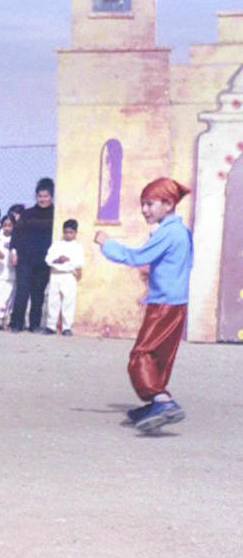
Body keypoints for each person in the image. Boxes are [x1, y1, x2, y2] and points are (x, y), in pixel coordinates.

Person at [94, 178, 193, 434]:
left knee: (140, 356)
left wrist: (108, 244)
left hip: (163, 305)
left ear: (168, 203)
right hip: (176, 303)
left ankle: (162, 401)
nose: (145, 210)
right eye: (143, 204)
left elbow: (137, 257)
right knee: (159, 355)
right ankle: (155, 402)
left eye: (149, 204)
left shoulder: (168, 233)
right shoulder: (180, 231)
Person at [10, 177, 55, 332]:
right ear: (36, 197)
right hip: (24, 259)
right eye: (40, 196)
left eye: (46, 196)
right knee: (22, 292)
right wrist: (13, 252)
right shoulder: (27, 214)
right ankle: (16, 323)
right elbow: (16, 234)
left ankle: (34, 324)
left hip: (44, 261)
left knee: (38, 294)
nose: (43, 199)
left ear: (51, 197)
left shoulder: (56, 215)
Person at [43, 218, 85, 335]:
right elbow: (48, 259)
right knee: (53, 300)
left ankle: (67, 327)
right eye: (66, 232)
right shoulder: (56, 245)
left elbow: (79, 262)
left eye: (71, 232)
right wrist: (58, 260)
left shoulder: (78, 247)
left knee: (69, 301)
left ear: (75, 233)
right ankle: (51, 326)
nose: (68, 235)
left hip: (69, 276)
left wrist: (67, 261)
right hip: (56, 274)